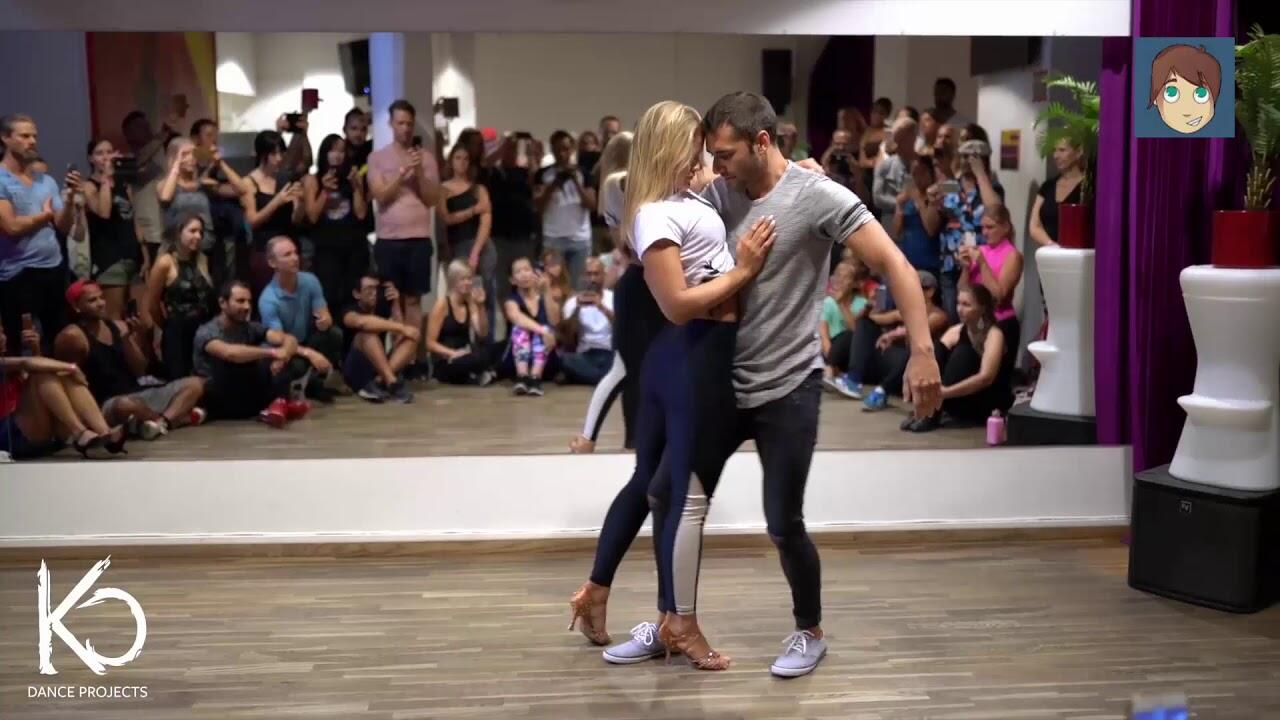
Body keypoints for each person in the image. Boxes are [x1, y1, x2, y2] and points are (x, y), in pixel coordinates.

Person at [577, 92, 942, 679]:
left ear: (762, 143)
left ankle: (809, 630)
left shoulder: (817, 195)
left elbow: (895, 265)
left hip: (787, 385)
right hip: (720, 384)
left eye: (723, 155)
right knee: (668, 494)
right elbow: (644, 201)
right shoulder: (716, 193)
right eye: (710, 156)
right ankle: (672, 621)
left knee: (782, 521)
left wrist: (922, 352)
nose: (713, 167)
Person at [569, 100, 777, 672]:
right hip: (690, 350)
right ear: (670, 149)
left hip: (699, 350)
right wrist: (744, 271)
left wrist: (798, 169)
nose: (705, 158)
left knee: (660, 487)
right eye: (695, 148)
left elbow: (741, 175)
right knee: (681, 495)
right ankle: (680, 624)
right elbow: (679, 305)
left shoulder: (690, 195)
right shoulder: (655, 213)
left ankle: (622, 601)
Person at [54, 279, 205, 440]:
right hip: (106, 404)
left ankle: (161, 423)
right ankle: (175, 418)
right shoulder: (73, 336)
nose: (100, 304)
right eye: (92, 300)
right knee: (125, 405)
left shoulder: (118, 327)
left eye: (101, 298)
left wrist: (130, 338)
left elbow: (140, 370)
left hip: (136, 393)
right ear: (76, 306)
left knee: (195, 383)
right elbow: (67, 381)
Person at [368, 99, 440, 376]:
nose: (406, 128)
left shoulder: (427, 158)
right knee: (390, 301)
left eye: (409, 123)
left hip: (418, 239)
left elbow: (432, 199)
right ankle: (389, 359)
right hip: (389, 240)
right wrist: (401, 174)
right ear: (391, 124)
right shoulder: (377, 158)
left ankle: (410, 360)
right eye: (401, 123)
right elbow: (381, 196)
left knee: (413, 300)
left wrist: (418, 171)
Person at [0, 114, 78, 353]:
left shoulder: (46, 181)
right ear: (5, 138)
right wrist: (44, 217)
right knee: (21, 342)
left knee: (58, 340)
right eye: (24, 136)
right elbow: (11, 227)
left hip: (53, 270)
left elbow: (63, 226)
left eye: (34, 136)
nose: (32, 141)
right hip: (18, 274)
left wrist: (70, 199)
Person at [0, 324, 127, 459]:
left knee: (62, 374)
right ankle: (79, 432)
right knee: (43, 373)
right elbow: (26, 363)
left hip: (34, 428)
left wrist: (36, 350)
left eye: (2, 332)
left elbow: (36, 385)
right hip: (9, 437)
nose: (2, 338)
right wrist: (72, 367)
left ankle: (104, 432)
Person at [193, 280, 307, 428]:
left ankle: (278, 404)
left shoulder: (250, 327)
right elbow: (230, 353)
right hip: (220, 394)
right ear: (223, 303)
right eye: (240, 301)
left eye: (249, 302)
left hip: (247, 394)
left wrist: (283, 355)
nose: (247, 307)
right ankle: (280, 405)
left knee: (288, 358)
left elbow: (288, 339)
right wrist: (272, 353)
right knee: (260, 354)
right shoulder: (207, 331)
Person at [906, 284, 1012, 431]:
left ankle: (933, 412)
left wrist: (944, 393)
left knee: (964, 352)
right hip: (955, 397)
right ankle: (928, 409)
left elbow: (985, 378)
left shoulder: (994, 335)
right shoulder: (957, 330)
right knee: (936, 350)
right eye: (958, 303)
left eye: (966, 305)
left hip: (986, 401)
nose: (959, 309)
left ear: (982, 308)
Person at [257, 237, 341, 402]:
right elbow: (280, 341)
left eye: (295, 253)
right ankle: (293, 389)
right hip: (284, 347)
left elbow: (324, 314)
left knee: (334, 334)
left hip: (305, 337)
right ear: (273, 263)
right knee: (297, 365)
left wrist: (325, 320)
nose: (295, 258)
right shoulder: (268, 299)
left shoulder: (310, 280)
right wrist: (311, 354)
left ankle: (314, 383)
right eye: (287, 255)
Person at [143, 212, 215, 380]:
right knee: (181, 382)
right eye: (193, 231)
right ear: (178, 232)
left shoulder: (202, 260)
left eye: (201, 232)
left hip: (203, 330)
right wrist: (169, 327)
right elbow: (152, 305)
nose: (198, 236)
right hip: (177, 332)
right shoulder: (165, 262)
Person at [304, 134, 370, 313]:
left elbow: (361, 213)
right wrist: (325, 191)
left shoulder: (352, 177)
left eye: (342, 151)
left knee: (352, 299)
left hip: (353, 248)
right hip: (327, 250)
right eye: (333, 150)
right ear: (324, 153)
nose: (337, 155)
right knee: (329, 297)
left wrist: (357, 187)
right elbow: (312, 216)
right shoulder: (312, 180)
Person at [437, 144, 496, 335]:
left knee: (484, 295)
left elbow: (486, 220)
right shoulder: (443, 189)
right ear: (451, 161)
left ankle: (486, 340)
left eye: (465, 159)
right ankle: (461, 339)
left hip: (480, 245)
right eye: (458, 158)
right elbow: (446, 218)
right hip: (456, 246)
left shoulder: (479, 189)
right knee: (459, 296)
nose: (461, 163)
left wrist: (476, 252)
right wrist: (472, 211)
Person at [81, 138, 143, 319]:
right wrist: (106, 178)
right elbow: (104, 212)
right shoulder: (88, 186)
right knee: (115, 317)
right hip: (110, 258)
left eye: (109, 152)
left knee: (141, 318)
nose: (106, 157)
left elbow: (134, 218)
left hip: (133, 254)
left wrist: (145, 254)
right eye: (100, 153)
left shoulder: (123, 184)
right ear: (91, 158)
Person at [241, 130, 305, 297]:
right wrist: (277, 201)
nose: (279, 158)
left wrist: (301, 201)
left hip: (289, 245)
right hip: (264, 250)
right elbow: (252, 221)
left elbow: (296, 220)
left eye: (281, 153)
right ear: (262, 155)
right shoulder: (249, 182)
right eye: (273, 154)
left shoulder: (286, 178)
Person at [958, 203, 1023, 359]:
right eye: (983, 228)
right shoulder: (980, 250)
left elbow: (999, 295)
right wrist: (965, 268)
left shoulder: (1012, 255)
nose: (985, 232)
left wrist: (982, 264)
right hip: (974, 322)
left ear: (1005, 227)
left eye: (990, 227)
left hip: (1000, 321)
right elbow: (962, 292)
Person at [340, 274, 418, 403]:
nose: (374, 293)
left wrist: (395, 304)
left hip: (378, 367)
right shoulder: (349, 310)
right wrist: (401, 328)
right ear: (357, 294)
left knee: (411, 337)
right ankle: (392, 383)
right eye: (369, 289)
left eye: (376, 288)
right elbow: (361, 323)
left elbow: (399, 336)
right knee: (366, 334)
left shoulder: (381, 308)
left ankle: (379, 382)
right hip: (356, 369)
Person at [535, 130, 596, 289]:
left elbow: (591, 205)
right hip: (553, 238)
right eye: (558, 149)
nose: (562, 154)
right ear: (552, 150)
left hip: (580, 238)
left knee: (578, 286)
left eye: (566, 149)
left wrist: (575, 182)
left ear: (572, 150)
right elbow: (538, 206)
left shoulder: (583, 173)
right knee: (554, 286)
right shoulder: (542, 174)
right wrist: (553, 185)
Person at [425, 260, 493, 387]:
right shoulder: (442, 305)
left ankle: (475, 375)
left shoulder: (470, 303)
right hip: (446, 359)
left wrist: (481, 306)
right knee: (471, 361)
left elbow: (482, 333)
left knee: (491, 351)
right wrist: (453, 353)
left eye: (469, 279)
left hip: (466, 353)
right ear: (453, 281)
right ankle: (477, 375)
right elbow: (430, 344)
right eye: (462, 279)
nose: (467, 283)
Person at [504, 257, 561, 397]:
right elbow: (516, 317)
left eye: (527, 269)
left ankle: (536, 378)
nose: (524, 274)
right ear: (512, 280)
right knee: (521, 328)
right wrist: (542, 331)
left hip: (545, 360)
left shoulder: (544, 297)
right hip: (518, 359)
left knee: (548, 328)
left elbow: (555, 321)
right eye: (518, 272)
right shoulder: (511, 300)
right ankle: (522, 377)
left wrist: (546, 291)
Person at [558, 257, 615, 385]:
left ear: (603, 275)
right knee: (564, 359)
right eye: (588, 274)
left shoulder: (613, 298)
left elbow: (623, 329)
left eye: (596, 274)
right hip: (585, 354)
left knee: (625, 362)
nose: (592, 279)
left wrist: (602, 307)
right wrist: (577, 310)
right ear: (583, 277)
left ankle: (586, 377)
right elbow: (567, 338)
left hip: (609, 352)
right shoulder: (573, 302)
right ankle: (605, 379)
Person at [1030, 138, 1085, 248]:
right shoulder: (1047, 186)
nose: (1055, 156)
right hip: (1051, 253)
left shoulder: (1088, 188)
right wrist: (1052, 246)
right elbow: (1034, 226)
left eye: (1062, 150)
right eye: (1054, 150)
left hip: (1079, 253)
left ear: (1078, 152)